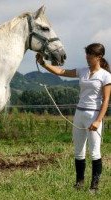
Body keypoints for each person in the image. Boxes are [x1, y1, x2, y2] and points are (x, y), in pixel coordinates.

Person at [36, 43, 111, 193]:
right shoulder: (82, 71)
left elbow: (106, 101)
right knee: (78, 151)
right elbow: (61, 72)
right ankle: (79, 183)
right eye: (87, 54)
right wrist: (44, 63)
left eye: (90, 54)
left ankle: (94, 186)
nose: (87, 57)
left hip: (94, 114)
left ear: (99, 57)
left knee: (95, 152)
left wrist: (98, 121)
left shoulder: (105, 76)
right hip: (79, 114)